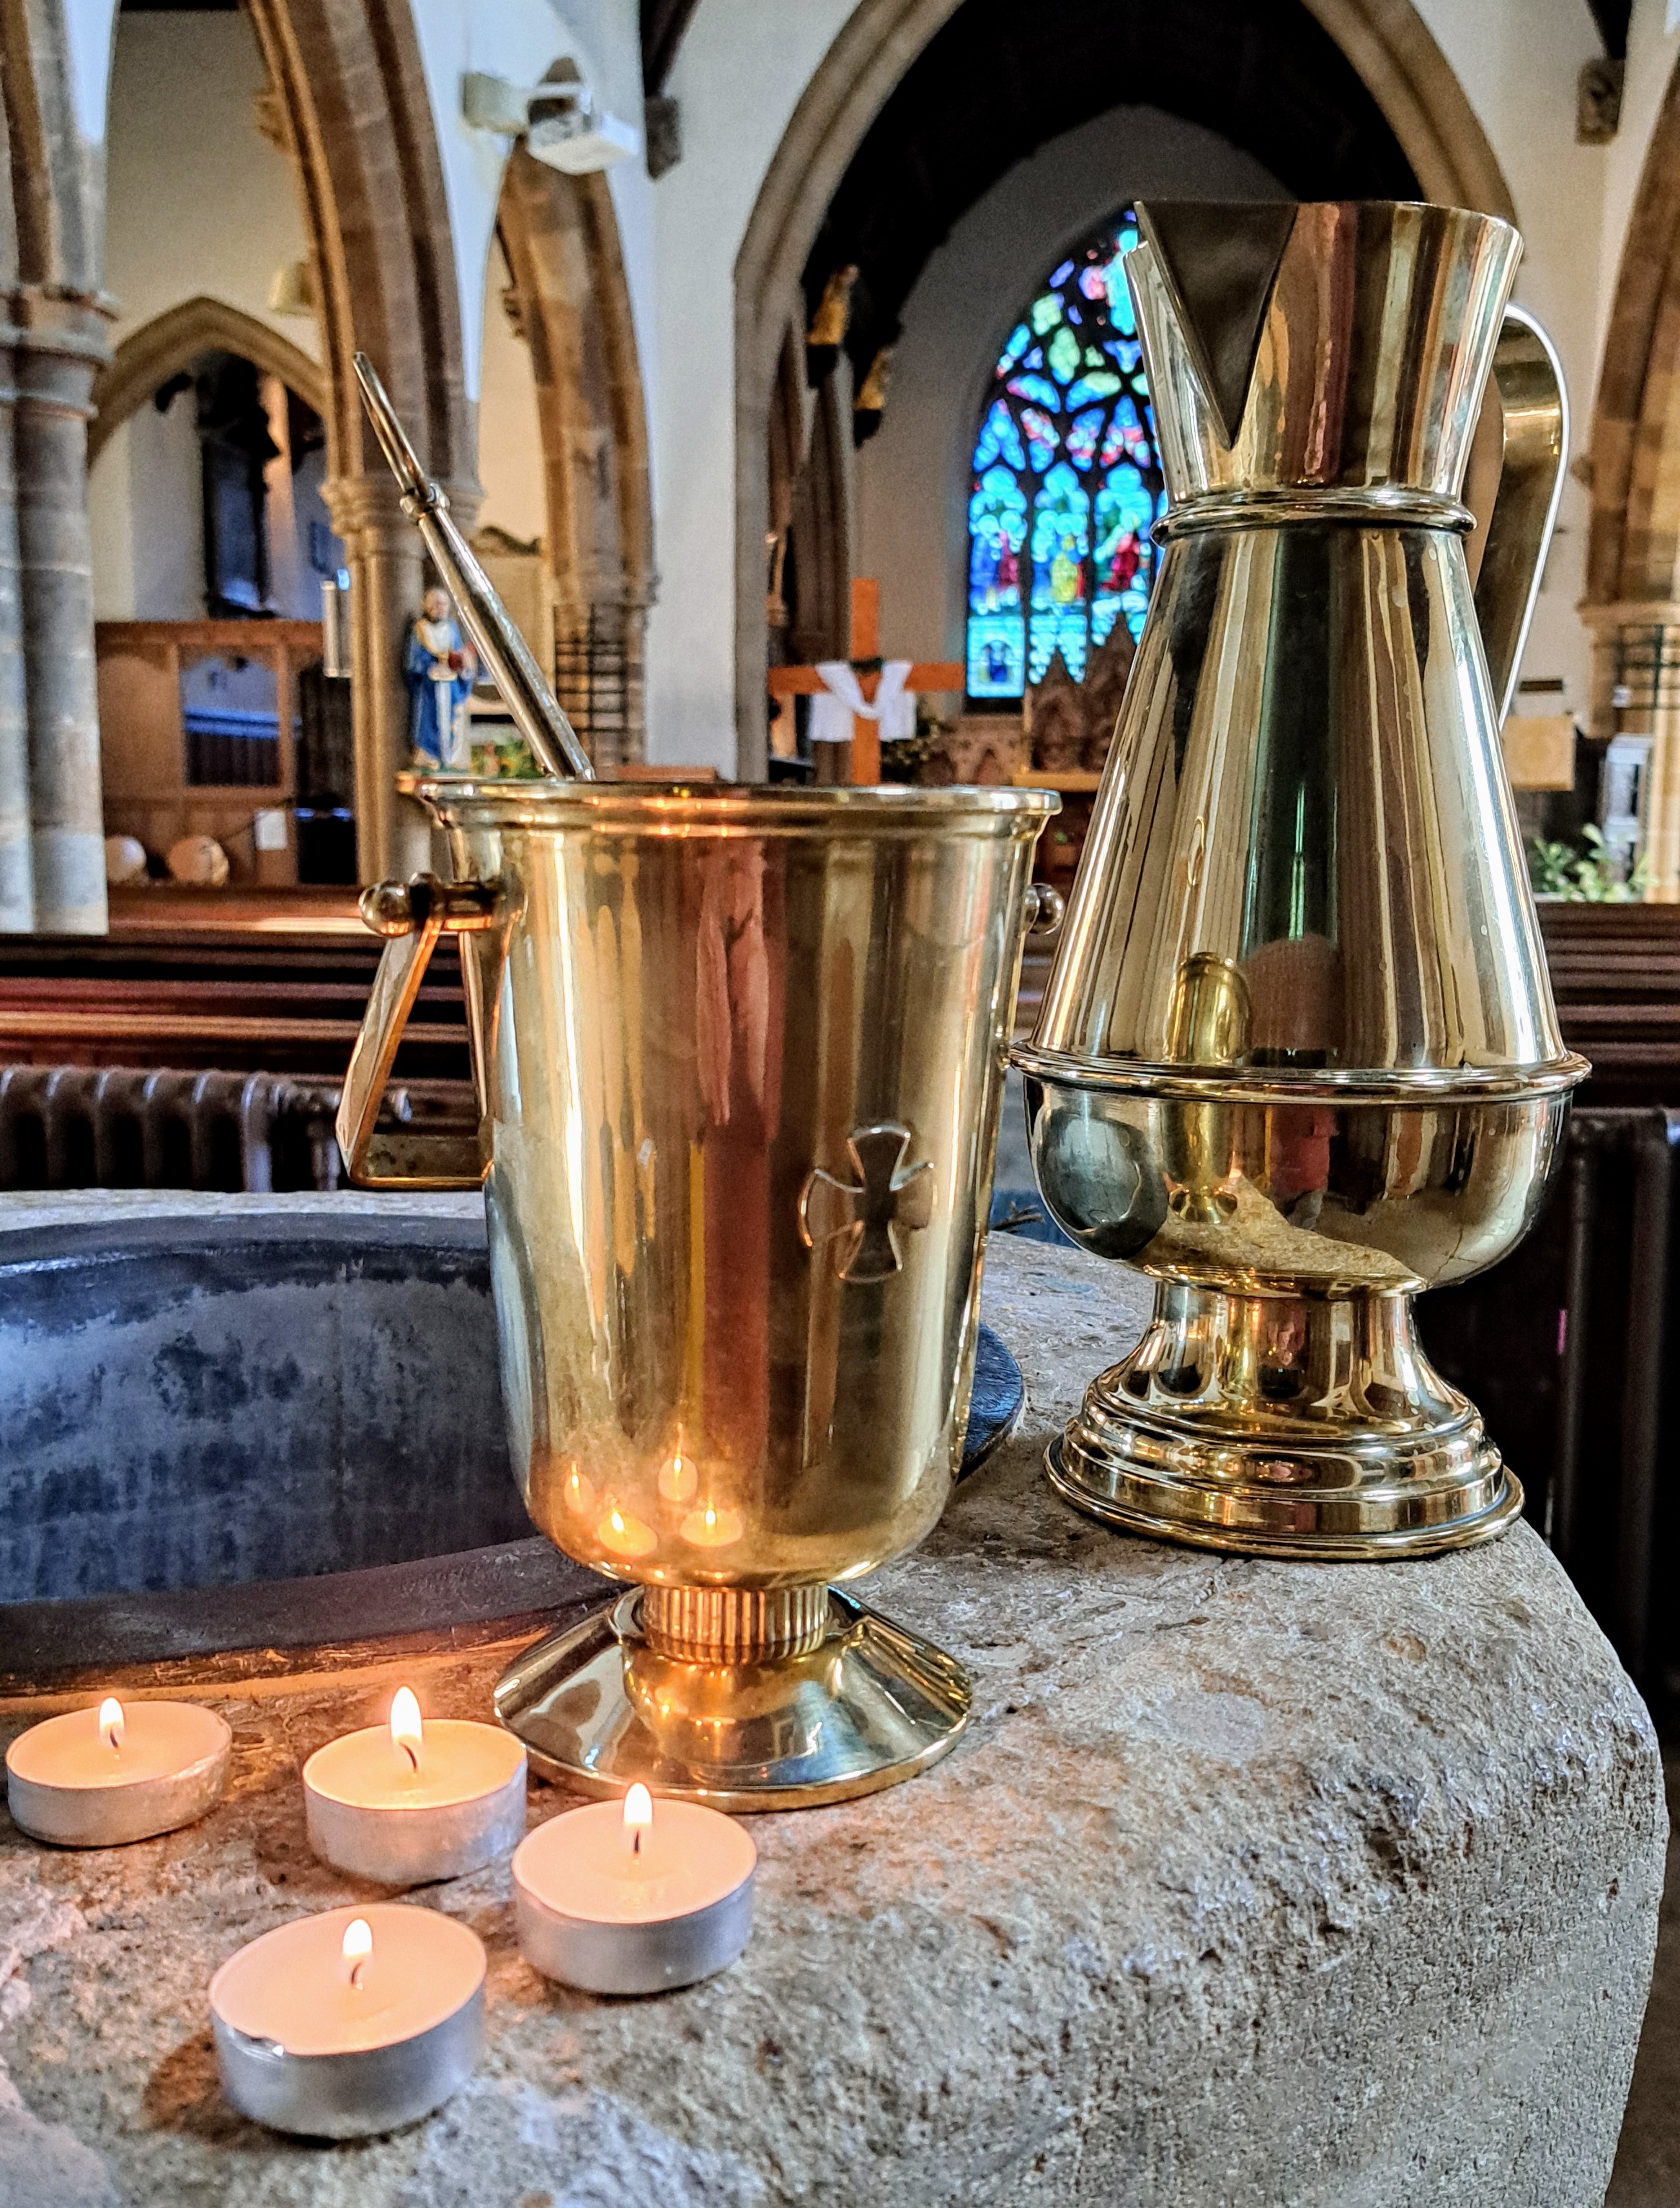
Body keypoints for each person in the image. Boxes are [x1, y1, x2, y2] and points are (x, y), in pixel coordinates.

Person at [404, 587, 478, 769]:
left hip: (451, 685)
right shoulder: (420, 630)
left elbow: (458, 655)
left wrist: (463, 665)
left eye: (444, 604)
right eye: (436, 604)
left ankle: (451, 757)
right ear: (427, 606)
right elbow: (413, 663)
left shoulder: (451, 629)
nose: (440, 608)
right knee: (429, 721)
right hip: (430, 687)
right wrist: (429, 668)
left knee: (453, 720)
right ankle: (429, 754)